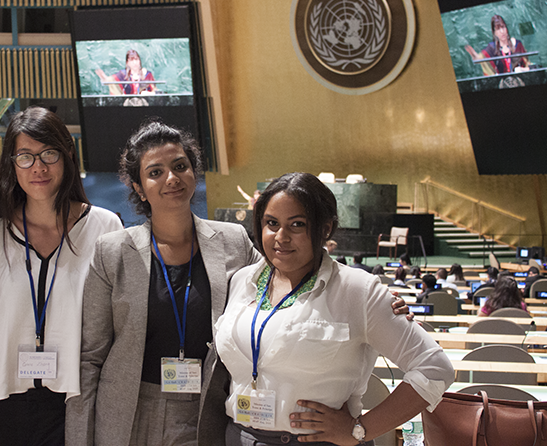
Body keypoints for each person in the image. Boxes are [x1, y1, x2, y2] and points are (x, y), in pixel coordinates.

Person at [66, 124, 411, 446]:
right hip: (131, 409)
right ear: (139, 187)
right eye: (155, 172)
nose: (172, 178)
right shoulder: (112, 252)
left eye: (180, 165)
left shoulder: (232, 241)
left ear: (194, 171)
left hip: (210, 409)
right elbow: (91, 358)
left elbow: (289, 277)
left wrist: (375, 299)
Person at [211, 172, 454, 445]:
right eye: (271, 223)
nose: (281, 236)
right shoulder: (242, 281)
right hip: (240, 436)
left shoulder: (357, 290)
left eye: (297, 224)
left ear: (325, 229)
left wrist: (360, 429)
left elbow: (435, 367)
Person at [0, 107, 122, 446]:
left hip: (71, 401)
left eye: (49, 153)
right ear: (11, 163)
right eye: (25, 157)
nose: (38, 167)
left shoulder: (105, 228)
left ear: (68, 155)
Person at [465, 15, 530, 76]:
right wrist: (475, 56)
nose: (502, 31)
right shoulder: (491, 49)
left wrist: (522, 69)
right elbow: (481, 58)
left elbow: (528, 66)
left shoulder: (518, 44)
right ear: (494, 32)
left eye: (503, 27)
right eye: (498, 29)